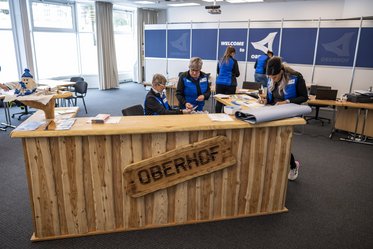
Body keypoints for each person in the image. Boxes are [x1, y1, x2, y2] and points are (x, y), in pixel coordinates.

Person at [261, 56, 308, 181]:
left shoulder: (296, 77)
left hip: (288, 114)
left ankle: (293, 166)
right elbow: (270, 99)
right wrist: (265, 100)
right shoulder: (271, 78)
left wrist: (287, 101)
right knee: (271, 141)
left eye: (275, 77)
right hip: (273, 113)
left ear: (281, 71)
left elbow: (304, 97)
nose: (273, 80)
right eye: (271, 78)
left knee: (282, 144)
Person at [215, 46, 240, 113]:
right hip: (230, 84)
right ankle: (225, 117)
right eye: (234, 53)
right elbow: (237, 74)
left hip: (219, 83)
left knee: (219, 101)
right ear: (232, 53)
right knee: (228, 102)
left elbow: (218, 71)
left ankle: (217, 116)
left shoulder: (220, 60)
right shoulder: (234, 61)